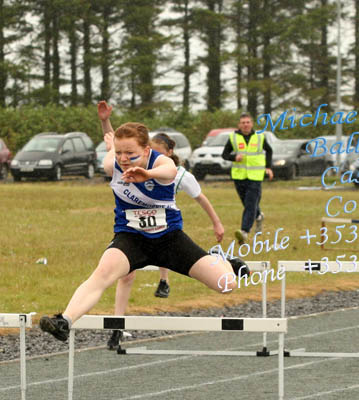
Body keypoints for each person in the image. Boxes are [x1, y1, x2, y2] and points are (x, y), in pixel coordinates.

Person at [39, 116, 249, 342]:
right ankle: (64, 321)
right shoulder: (113, 164)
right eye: (119, 153)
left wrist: (148, 175)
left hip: (169, 240)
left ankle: (221, 259)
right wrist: (106, 123)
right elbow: (112, 141)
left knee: (227, 285)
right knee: (101, 275)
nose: (124, 159)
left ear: (147, 151)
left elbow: (169, 171)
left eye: (130, 153)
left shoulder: (161, 162)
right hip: (131, 239)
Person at [106, 133, 226, 350]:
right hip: (135, 229)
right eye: (151, 152)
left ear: (169, 154)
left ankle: (165, 280)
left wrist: (217, 223)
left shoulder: (179, 175)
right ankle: (117, 326)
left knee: (164, 247)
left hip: (167, 228)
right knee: (125, 275)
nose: (154, 158)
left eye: (159, 153)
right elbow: (116, 142)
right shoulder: (134, 169)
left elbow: (201, 198)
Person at [221, 113, 273, 245]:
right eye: (243, 122)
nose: (245, 124)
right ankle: (259, 216)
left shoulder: (260, 137)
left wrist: (268, 167)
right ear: (239, 125)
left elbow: (269, 150)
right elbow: (224, 154)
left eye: (248, 122)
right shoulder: (233, 137)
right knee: (247, 203)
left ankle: (244, 232)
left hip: (256, 176)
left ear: (252, 124)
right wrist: (234, 157)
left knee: (250, 203)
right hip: (239, 176)